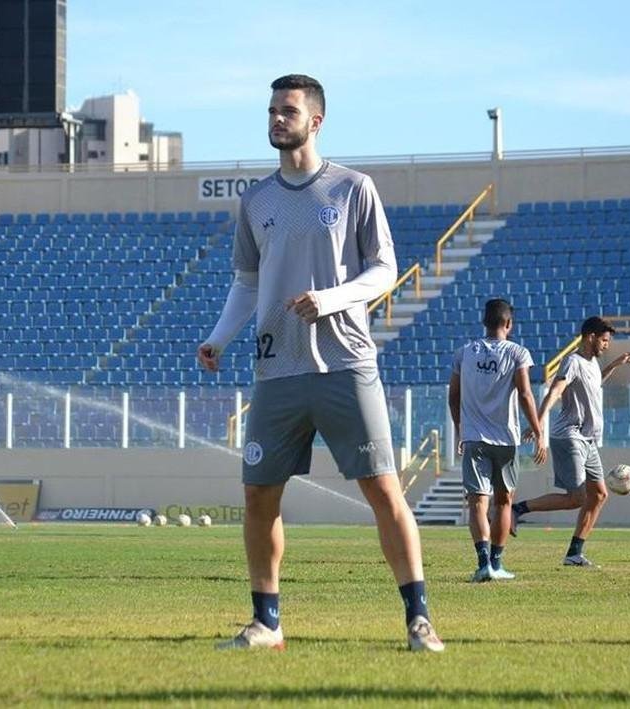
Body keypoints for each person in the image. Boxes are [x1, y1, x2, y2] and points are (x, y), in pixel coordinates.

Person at [197, 74, 443, 652]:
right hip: (276, 368)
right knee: (259, 496)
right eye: (272, 110)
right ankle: (267, 623)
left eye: (288, 111)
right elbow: (247, 281)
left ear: (316, 120)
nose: (276, 119)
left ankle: (419, 619)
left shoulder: (353, 188)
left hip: (345, 364)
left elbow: (385, 270)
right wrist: (219, 338)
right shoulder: (255, 200)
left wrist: (331, 299)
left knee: (383, 490)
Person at [511, 316, 630, 567]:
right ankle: (517, 509)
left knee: (599, 495)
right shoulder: (572, 361)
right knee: (577, 498)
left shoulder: (591, 364)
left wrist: (615, 365)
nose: (607, 345)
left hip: (588, 440)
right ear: (591, 337)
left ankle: (574, 553)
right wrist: (538, 425)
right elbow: (556, 390)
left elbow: (594, 383)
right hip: (570, 436)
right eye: (604, 340)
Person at [448, 299, 546, 583]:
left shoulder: (464, 353)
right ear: (509, 324)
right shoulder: (517, 352)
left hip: (474, 438)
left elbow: (453, 396)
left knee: (477, 503)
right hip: (506, 440)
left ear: (484, 322)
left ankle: (483, 565)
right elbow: (525, 394)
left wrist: (460, 430)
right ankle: (496, 563)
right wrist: (538, 432)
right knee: (504, 502)